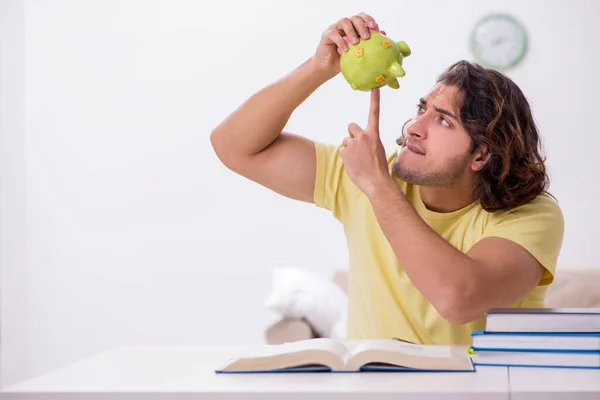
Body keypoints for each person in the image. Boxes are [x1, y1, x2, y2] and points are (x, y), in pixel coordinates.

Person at [210, 13, 564, 345]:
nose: (414, 128)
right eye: (421, 109)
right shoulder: (366, 174)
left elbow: (459, 299)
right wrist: (318, 69)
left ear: (482, 154)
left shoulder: (530, 213)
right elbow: (233, 146)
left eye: (443, 121)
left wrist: (378, 187)